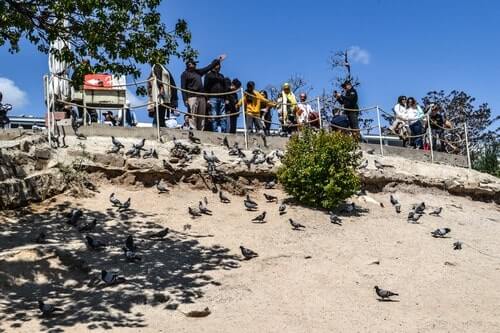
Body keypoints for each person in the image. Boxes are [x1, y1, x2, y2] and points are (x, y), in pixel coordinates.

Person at [181, 55, 226, 130]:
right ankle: (193, 131)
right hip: (192, 97)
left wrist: (218, 60)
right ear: (189, 65)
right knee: (193, 116)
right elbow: (183, 87)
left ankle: (201, 131)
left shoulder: (198, 72)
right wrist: (185, 99)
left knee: (202, 116)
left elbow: (209, 67)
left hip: (201, 97)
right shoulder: (185, 74)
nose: (195, 65)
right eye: (193, 63)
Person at [148, 64, 178, 128]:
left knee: (161, 111)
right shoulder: (156, 66)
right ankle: (157, 127)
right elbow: (158, 76)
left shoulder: (160, 67)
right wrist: (161, 87)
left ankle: (160, 126)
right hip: (160, 93)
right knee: (159, 111)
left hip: (165, 94)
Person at [204, 62, 227, 132]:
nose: (219, 66)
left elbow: (224, 87)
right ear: (213, 66)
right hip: (212, 98)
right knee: (214, 115)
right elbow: (206, 87)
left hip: (222, 98)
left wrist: (225, 98)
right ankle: (215, 131)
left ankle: (223, 131)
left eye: (219, 65)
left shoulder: (222, 76)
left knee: (223, 116)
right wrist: (207, 99)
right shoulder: (208, 75)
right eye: (217, 65)